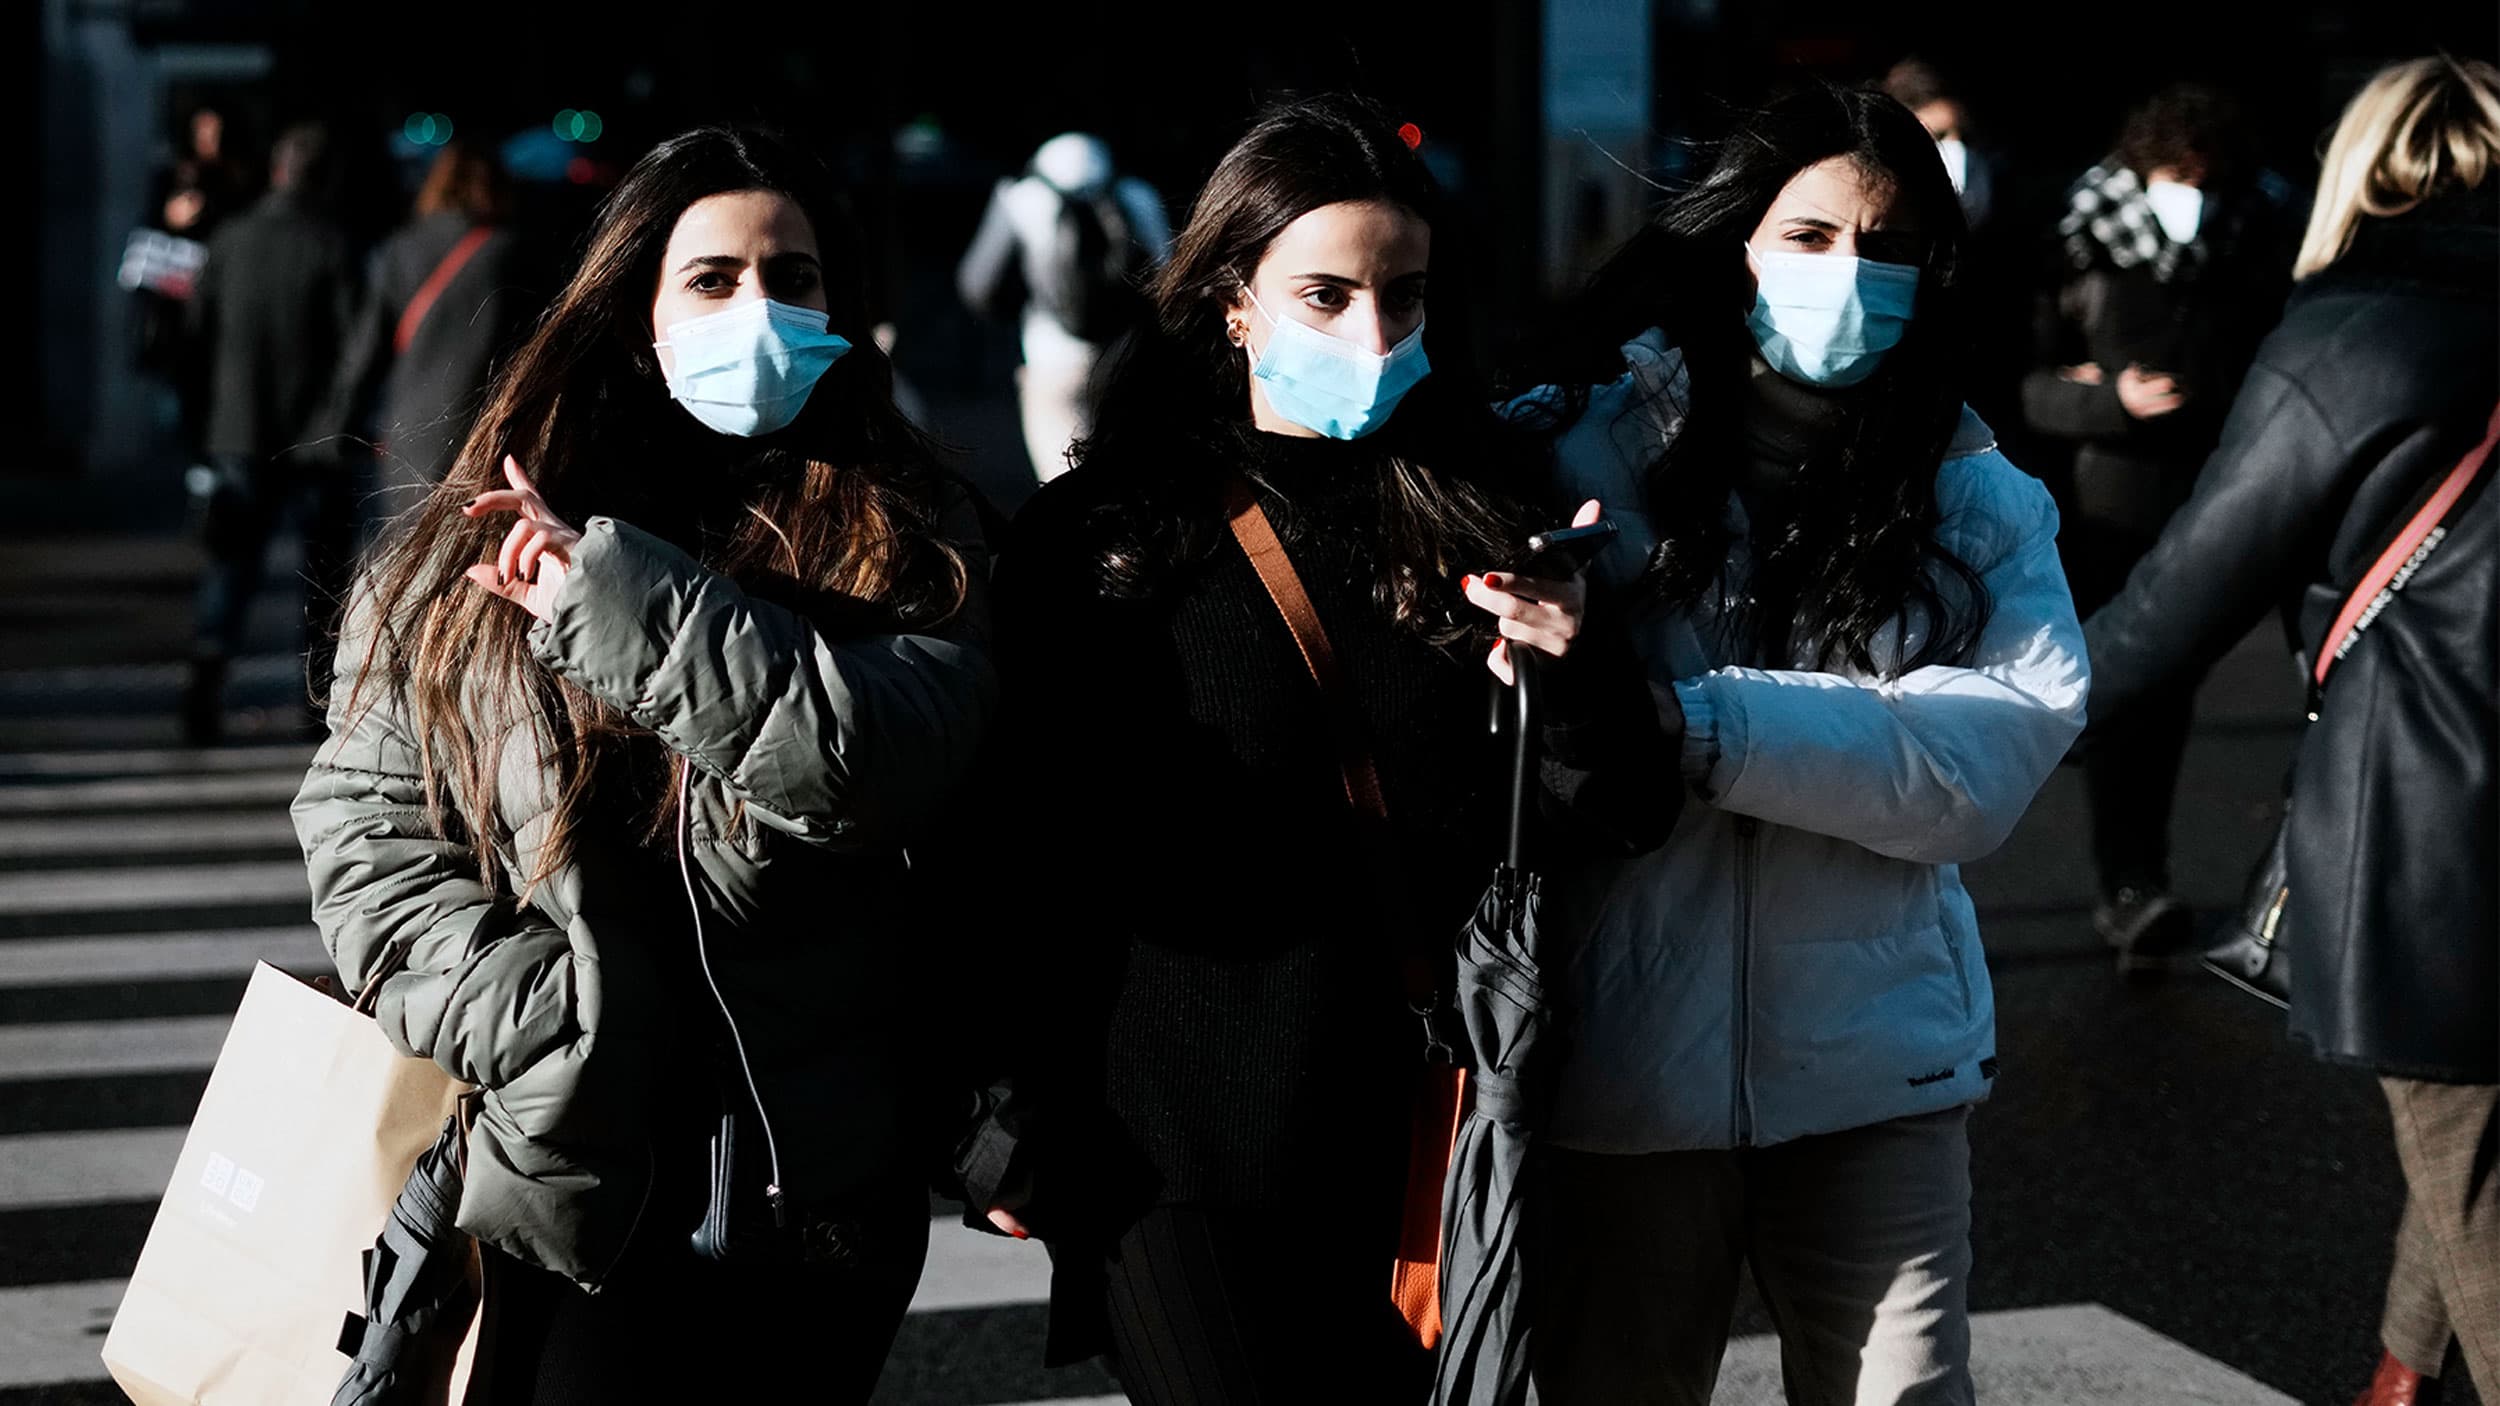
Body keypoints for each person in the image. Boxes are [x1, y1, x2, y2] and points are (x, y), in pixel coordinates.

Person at [961, 92, 1672, 1404]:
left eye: (1404, 295)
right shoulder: (1105, 535)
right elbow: (1013, 843)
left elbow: (1615, 811)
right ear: (1232, 300)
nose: (1373, 333)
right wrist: (1001, 1111)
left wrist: (1573, 675)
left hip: (1415, 1134)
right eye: (1326, 294)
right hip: (1163, 1148)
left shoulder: (1486, 517)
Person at [291, 125, 996, 1403]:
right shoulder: (472, 542)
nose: (760, 310)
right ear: (634, 310)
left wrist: (611, 599)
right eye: (713, 278)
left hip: (815, 1194)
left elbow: (869, 762)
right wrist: (549, 1023)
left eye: (794, 278)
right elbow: (365, 826)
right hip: (570, 1179)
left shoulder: (909, 532)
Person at [1511, 83, 2088, 1405]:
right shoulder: (1583, 446)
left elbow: (1978, 765)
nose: (1850, 276)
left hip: (1879, 1075)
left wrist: (1696, 723)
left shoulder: (1972, 489)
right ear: (1735, 243)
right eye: (1811, 235)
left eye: (1888, 248)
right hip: (1624, 1073)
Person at [2078, 56, 2498, 1406]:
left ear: (2358, 170)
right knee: (2471, 1133)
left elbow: (2176, 601)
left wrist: (1981, 726)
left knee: (2468, 1148)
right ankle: (2399, 1380)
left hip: (2433, 825)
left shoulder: (2345, 336)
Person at [2022, 82, 2300, 966]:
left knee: (2170, 698)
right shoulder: (2081, 246)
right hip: (2112, 507)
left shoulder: (2259, 243)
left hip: (2224, 496)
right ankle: (2131, 885)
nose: (2193, 199)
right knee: (2132, 696)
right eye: (2177, 178)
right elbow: (2028, 389)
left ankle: (2175, 884)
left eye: (2206, 181)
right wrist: (2112, 401)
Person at [184, 121, 361, 743]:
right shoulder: (331, 244)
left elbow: (196, 334)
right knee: (321, 577)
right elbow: (354, 348)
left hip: (238, 430)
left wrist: (204, 421)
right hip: (316, 440)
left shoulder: (230, 239)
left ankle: (206, 681)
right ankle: (316, 705)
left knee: (230, 564)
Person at [323, 139, 544, 529]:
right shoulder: (512, 253)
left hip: (410, 429)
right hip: (486, 428)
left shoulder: (402, 248)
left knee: (409, 543)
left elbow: (366, 351)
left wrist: (341, 427)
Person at [956, 131, 1172, 481]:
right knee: (1127, 479)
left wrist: (1022, 313)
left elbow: (977, 287)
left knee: (1063, 485)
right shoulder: (1136, 194)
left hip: (1051, 358)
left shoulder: (1021, 197)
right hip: (1124, 360)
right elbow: (1168, 281)